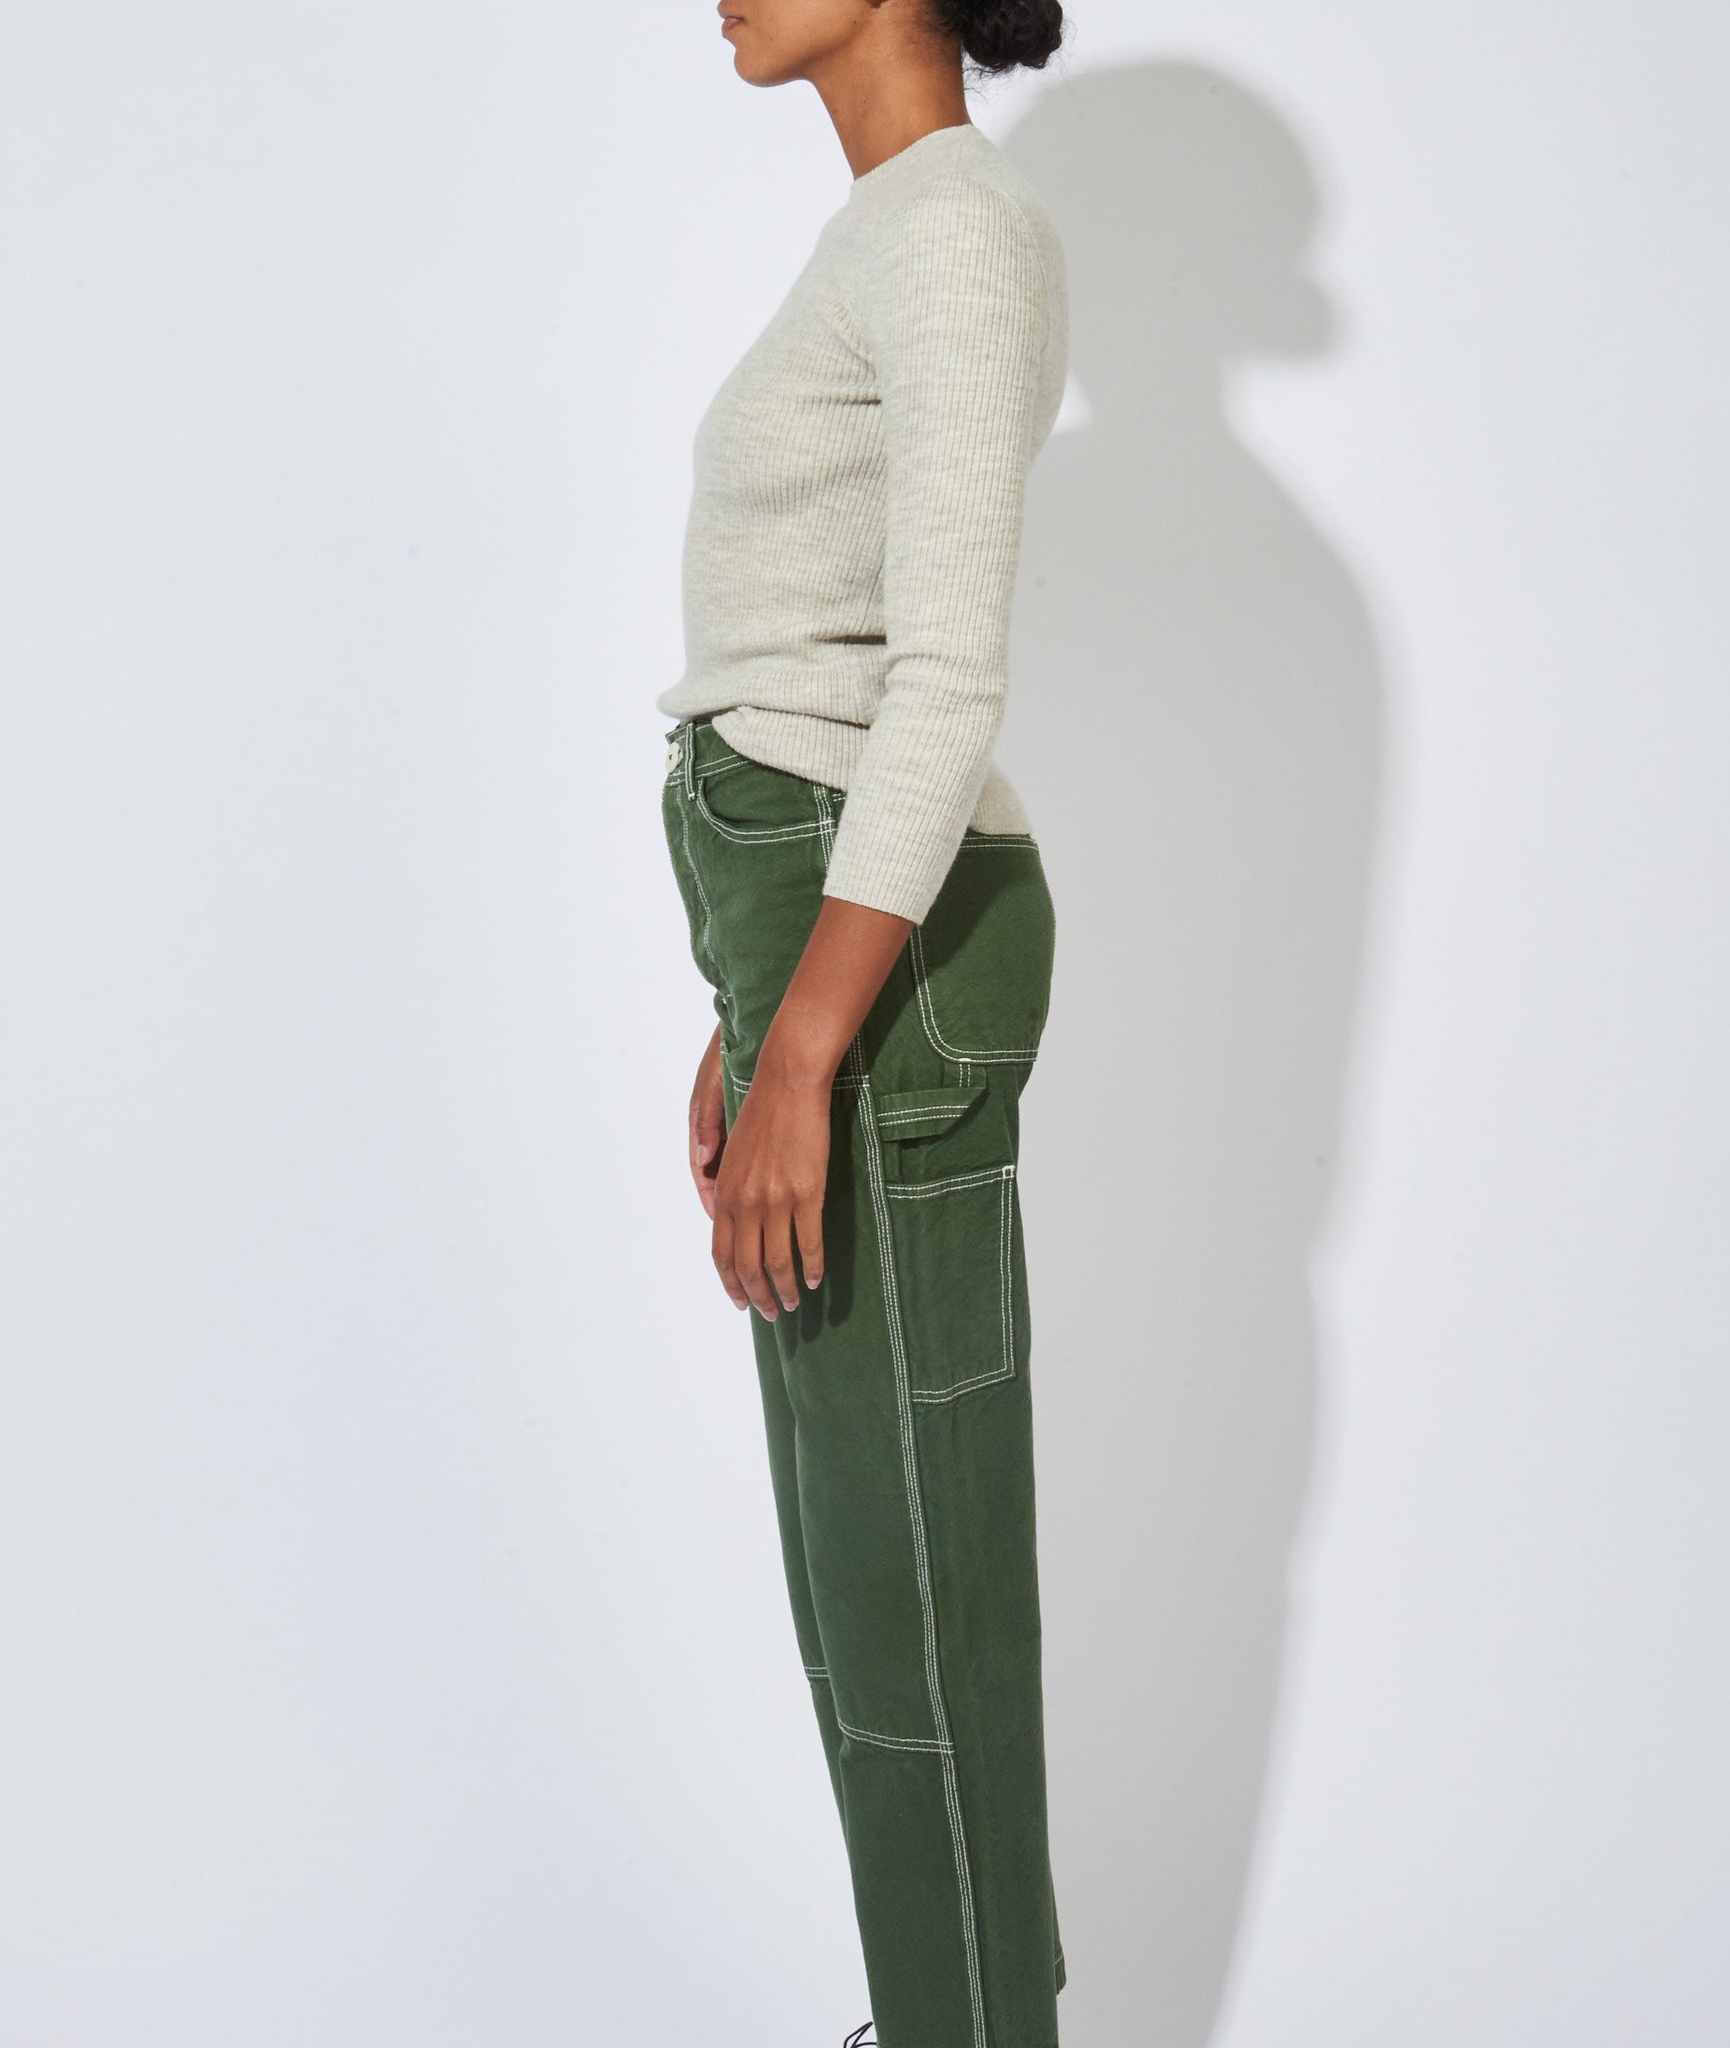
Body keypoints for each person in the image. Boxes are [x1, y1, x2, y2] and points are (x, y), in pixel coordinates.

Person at [655, 3, 1070, 2043]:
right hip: (819, 936)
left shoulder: (955, 233)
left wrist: (812, 1039)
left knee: (917, 1577)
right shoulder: (895, 226)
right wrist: (753, 1013)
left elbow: (944, 676)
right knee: (861, 1571)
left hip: (874, 961)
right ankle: (940, 2015)